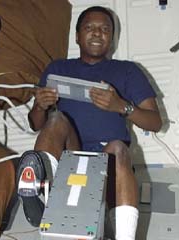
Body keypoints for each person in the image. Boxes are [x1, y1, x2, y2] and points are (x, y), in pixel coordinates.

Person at [16, 6, 162, 240]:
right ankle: (38, 190)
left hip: (110, 164)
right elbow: (35, 124)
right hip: (68, 158)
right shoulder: (58, 68)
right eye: (90, 28)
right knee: (55, 119)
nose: (97, 33)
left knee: (118, 147)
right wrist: (40, 106)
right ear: (77, 36)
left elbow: (155, 122)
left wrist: (121, 106)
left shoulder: (127, 71)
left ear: (111, 39)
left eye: (105, 29)